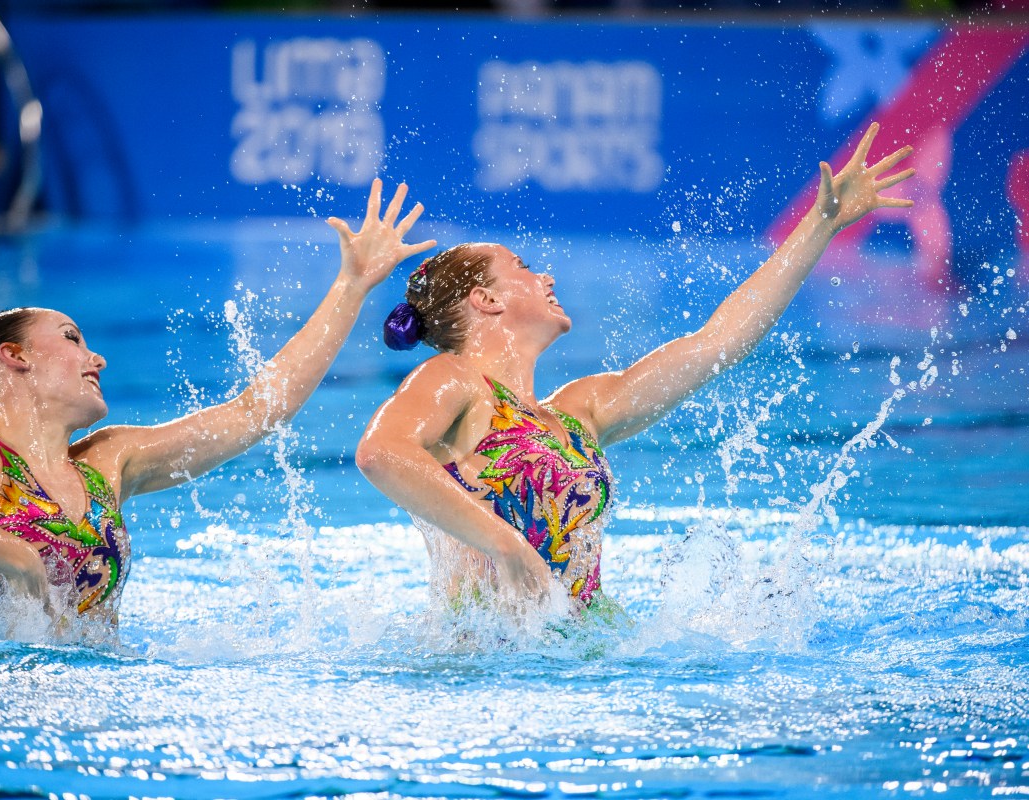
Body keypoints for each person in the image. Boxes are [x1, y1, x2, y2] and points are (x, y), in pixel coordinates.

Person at [355, 123, 915, 618]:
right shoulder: (453, 380)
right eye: (522, 268)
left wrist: (821, 225)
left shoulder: (579, 412)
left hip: (578, 654)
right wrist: (504, 544)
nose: (545, 277)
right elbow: (381, 454)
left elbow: (716, 343)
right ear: (486, 301)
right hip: (481, 671)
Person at [0, 179, 435, 626]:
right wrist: (11, 554)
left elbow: (257, 410)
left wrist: (351, 285)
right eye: (71, 339)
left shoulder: (108, 463)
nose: (97, 358)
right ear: (15, 357)